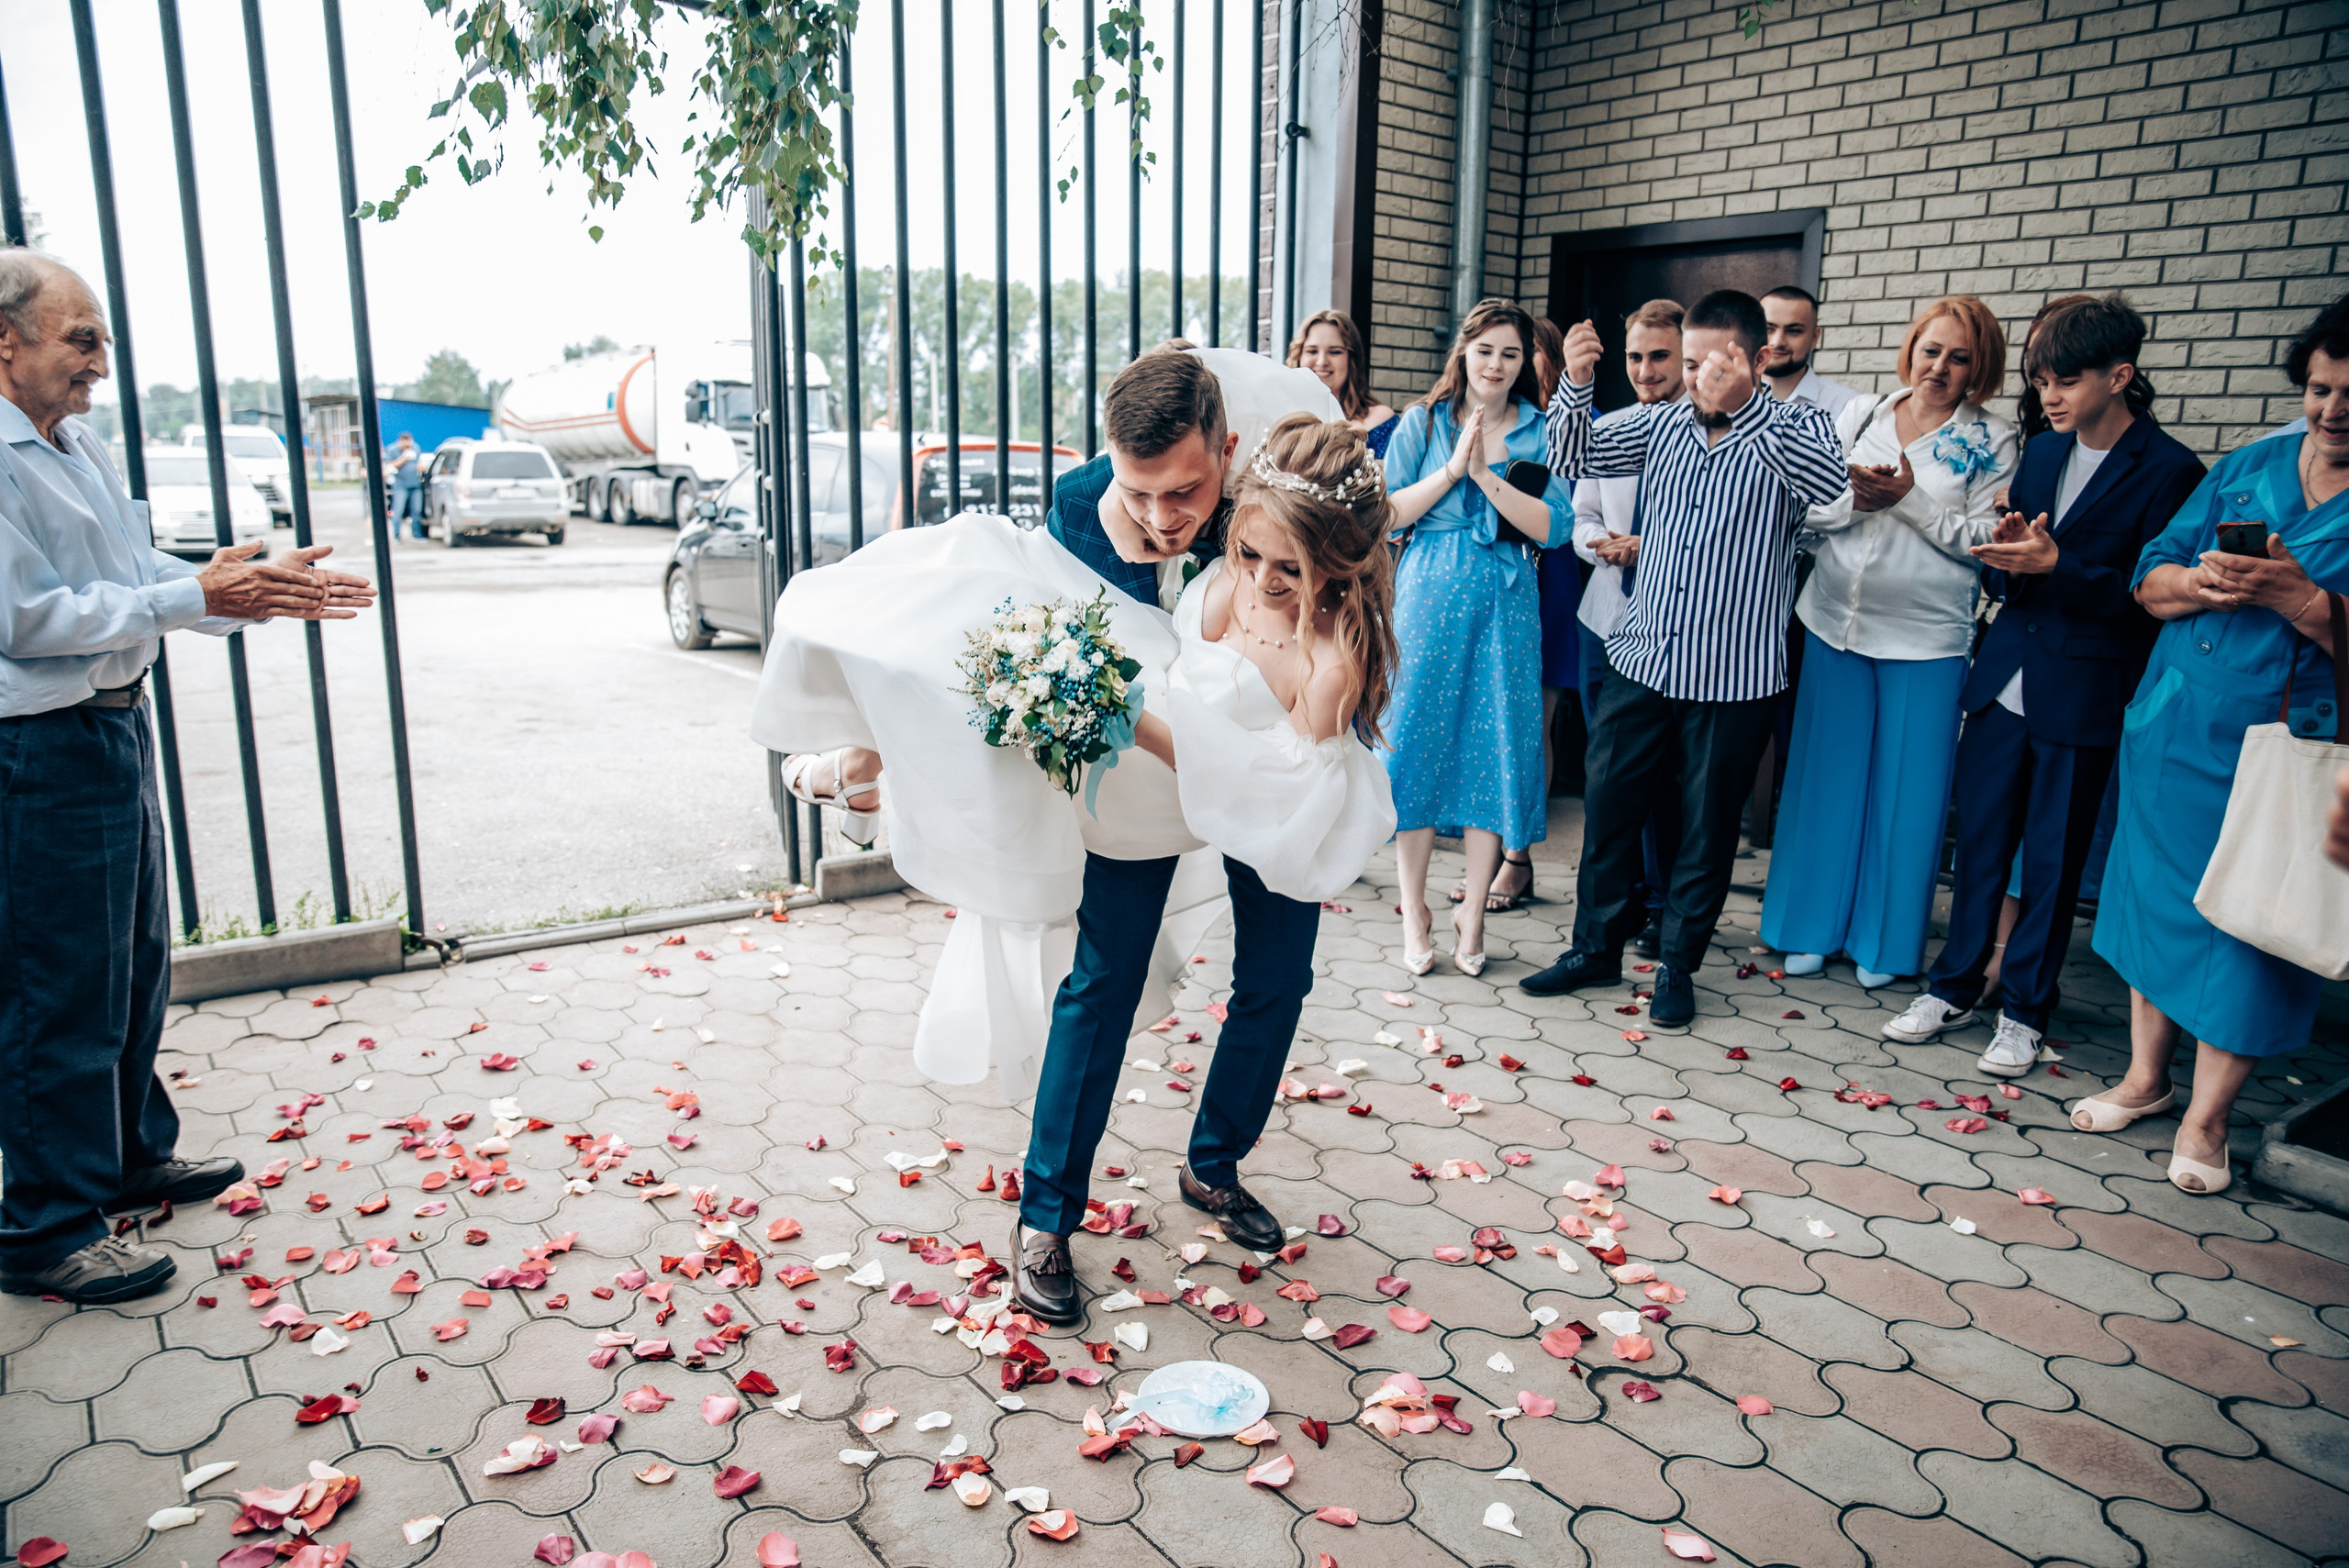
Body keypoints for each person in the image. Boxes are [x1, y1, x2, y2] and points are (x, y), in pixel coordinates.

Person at [748, 350, 1385, 1323]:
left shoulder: (1288, 530)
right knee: (1100, 976)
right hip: (1152, 767)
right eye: (1143, 495)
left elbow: (1292, 758)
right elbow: (1049, 631)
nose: (1167, 519)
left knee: (1276, 979)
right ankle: (1044, 1217)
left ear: (1230, 455)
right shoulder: (1087, 512)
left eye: (1186, 493)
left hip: (1278, 794)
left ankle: (1213, 1166)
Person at [0, 250, 376, 1304]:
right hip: (38, 744)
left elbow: (131, 576)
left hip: (109, 728)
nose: (99, 365)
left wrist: (235, 588)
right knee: (55, 988)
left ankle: (123, 1156)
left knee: (132, 964)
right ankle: (43, 1226)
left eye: (102, 341)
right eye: (82, 339)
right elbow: (25, 619)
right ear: (6, 341)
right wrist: (186, 596)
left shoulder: (73, 442)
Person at [2067, 292, 2349, 1195]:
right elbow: (2149, 578)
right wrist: (2201, 581)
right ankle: (2148, 1079)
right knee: (2162, 901)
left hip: (2288, 744)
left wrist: (2300, 600)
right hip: (2178, 718)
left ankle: (2209, 1114)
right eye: (2318, 388)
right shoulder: (2249, 463)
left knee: (2250, 929)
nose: (2331, 410)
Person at [1884, 294, 2206, 1073]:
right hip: (2004, 677)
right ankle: (1953, 984)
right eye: (2040, 380)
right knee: (1980, 845)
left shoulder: (2171, 470)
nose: (2048, 395)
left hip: (2086, 689)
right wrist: (2013, 553)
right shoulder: (2043, 452)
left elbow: (2148, 595)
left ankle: (2027, 1009)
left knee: (2054, 862)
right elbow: (2019, 564)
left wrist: (2060, 567)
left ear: (2119, 375)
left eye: (2064, 380)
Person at [1525, 290, 1848, 1027]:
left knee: (1705, 830)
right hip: (1645, 656)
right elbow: (1571, 456)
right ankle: (1594, 949)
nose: (1697, 378)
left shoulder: (1800, 427)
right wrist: (1575, 383)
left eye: (1714, 364)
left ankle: (1677, 964)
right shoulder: (1661, 426)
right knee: (1608, 809)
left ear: (1758, 359)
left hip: (1734, 675)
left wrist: (1752, 409)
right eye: (1692, 363)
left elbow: (1832, 495)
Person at [1761, 295, 2017, 987]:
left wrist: (1908, 499)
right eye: (1931, 350)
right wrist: (1854, 501)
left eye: (1959, 357)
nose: (1939, 367)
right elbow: (1802, 511)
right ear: (1911, 351)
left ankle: (1884, 943)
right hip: (1832, 622)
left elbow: (1985, 544)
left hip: (1926, 638)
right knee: (1824, 780)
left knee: (1906, 795)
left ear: (1978, 369)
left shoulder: (1994, 441)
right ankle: (1807, 927)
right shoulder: (1860, 414)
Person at [1379, 299, 1575, 975]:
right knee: (1418, 741)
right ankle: (1416, 907)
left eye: (1511, 354)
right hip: (1429, 590)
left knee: (1495, 742)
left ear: (1526, 364)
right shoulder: (1423, 421)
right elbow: (1386, 514)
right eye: (1486, 349)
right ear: (1463, 351)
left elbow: (1557, 527)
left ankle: (1473, 912)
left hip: (1506, 596)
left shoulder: (1544, 431)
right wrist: (1453, 469)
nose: (1496, 364)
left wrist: (1488, 474)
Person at [1570, 298, 1687, 959]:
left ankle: (1664, 905)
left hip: (1671, 628)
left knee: (1664, 775)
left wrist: (1658, 548)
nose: (1646, 370)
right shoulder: (1607, 428)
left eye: (1660, 356)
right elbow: (1582, 513)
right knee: (1608, 775)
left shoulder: (1707, 434)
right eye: (1636, 357)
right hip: (1607, 615)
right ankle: (1618, 903)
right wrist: (1601, 545)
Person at [1287, 308, 1399, 457]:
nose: (1322, 362)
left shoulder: (1379, 419)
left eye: (1335, 352)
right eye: (1312, 351)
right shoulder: (1279, 415)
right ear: (1298, 357)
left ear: (1352, 360)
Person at [1759, 285, 1859, 418]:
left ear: (1814, 338)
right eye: (1768, 329)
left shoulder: (1847, 407)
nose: (1777, 342)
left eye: (1793, 331)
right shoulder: (1725, 401)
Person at [385, 432, 427, 540]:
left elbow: (418, 462)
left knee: (416, 510)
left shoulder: (415, 448)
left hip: (415, 484)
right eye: (406, 443)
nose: (408, 445)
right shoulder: (392, 449)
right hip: (401, 485)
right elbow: (389, 464)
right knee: (398, 510)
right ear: (401, 441)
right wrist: (405, 457)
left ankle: (417, 534)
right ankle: (396, 535)